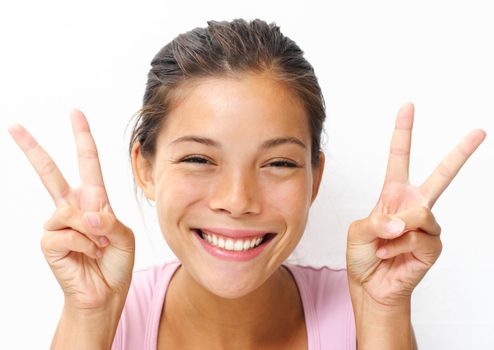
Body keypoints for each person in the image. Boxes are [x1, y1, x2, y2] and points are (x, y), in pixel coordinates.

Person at [8, 18, 486, 350]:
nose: (237, 201)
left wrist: (384, 313)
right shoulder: (104, 311)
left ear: (314, 178)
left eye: (278, 163)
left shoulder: (366, 307)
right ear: (146, 168)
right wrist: (89, 316)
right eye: (198, 158)